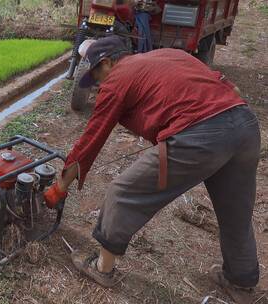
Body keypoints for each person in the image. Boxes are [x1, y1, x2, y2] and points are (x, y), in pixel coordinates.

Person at [44, 35, 262, 303]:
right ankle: (240, 283)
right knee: (235, 210)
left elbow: (90, 141)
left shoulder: (118, 79)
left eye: (97, 73)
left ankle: (102, 268)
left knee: (122, 192)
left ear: (110, 61)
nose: (97, 82)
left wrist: (59, 188)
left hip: (199, 137)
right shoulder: (170, 55)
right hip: (245, 126)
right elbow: (231, 89)